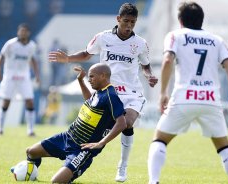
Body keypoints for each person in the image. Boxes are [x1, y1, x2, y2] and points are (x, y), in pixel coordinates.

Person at [49, 3, 158, 182]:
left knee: (128, 123)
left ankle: (122, 165)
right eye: (125, 21)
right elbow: (86, 54)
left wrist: (149, 76)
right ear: (118, 19)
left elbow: (145, 65)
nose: (129, 26)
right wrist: (68, 58)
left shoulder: (140, 43)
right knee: (96, 126)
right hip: (109, 92)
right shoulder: (103, 37)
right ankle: (74, 154)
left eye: (132, 22)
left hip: (131, 92)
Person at [147, 2, 228, 184]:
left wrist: (162, 94)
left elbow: (168, 61)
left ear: (180, 21)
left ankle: (154, 181)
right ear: (201, 20)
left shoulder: (175, 35)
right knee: (224, 147)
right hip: (210, 99)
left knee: (159, 140)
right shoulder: (217, 40)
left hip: (184, 97)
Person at [18, 63, 127, 183]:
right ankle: (31, 174)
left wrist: (101, 143)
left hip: (82, 149)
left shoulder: (111, 95)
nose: (89, 80)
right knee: (31, 152)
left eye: (92, 77)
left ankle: (68, 176)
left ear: (103, 76)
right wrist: (80, 81)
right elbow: (90, 101)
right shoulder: (99, 92)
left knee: (56, 181)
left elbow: (122, 123)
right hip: (67, 137)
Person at [0, 23, 40, 136]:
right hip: (10, 76)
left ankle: (30, 130)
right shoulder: (10, 44)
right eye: (21, 31)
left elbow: (33, 60)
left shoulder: (32, 45)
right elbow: (1, 56)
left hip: (24, 76)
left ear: (28, 33)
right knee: (6, 101)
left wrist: (37, 75)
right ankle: (0, 128)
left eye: (24, 31)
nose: (22, 33)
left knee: (29, 101)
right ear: (18, 32)